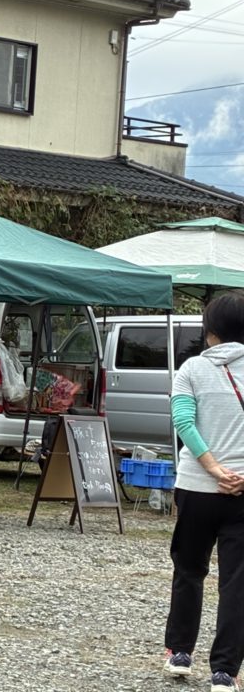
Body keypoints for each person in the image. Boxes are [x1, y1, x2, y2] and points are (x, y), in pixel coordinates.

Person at [163, 291, 244, 692]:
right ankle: (225, 672)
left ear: (210, 330)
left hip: (197, 486)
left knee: (189, 570)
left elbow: (183, 421)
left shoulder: (191, 368)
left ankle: (180, 653)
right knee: (237, 581)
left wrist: (211, 467)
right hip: (242, 490)